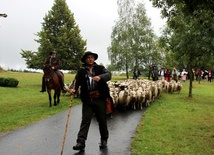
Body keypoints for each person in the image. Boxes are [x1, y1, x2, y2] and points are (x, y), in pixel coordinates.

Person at [69, 51, 112, 151]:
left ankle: (104, 139)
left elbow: (108, 75)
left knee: (102, 120)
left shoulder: (100, 68)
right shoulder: (81, 71)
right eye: (88, 57)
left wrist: (100, 77)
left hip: (100, 99)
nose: (90, 59)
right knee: (85, 121)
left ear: (94, 59)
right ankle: (80, 142)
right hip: (87, 99)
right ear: (85, 60)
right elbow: (76, 82)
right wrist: (73, 89)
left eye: (92, 57)